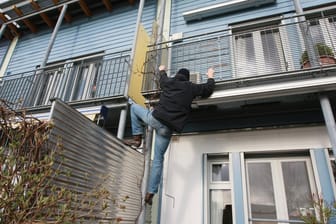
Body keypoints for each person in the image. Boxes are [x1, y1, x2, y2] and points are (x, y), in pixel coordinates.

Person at [124, 65, 215, 205]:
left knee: (134, 108)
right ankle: (151, 192)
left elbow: (162, 79)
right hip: (167, 129)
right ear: (188, 78)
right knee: (158, 160)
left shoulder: (170, 82)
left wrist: (161, 69)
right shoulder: (191, 87)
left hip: (156, 119)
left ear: (177, 75)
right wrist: (210, 76)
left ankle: (137, 138)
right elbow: (207, 90)